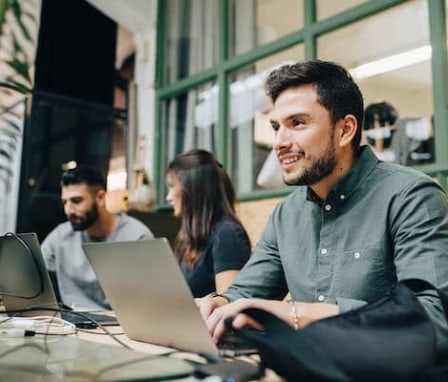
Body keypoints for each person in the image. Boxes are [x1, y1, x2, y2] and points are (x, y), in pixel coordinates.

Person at [197, 60, 448, 353]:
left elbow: (433, 320)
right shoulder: (285, 214)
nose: (278, 141)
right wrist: (219, 303)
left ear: (345, 130)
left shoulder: (410, 195)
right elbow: (246, 291)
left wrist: (295, 314)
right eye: (276, 127)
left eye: (297, 123)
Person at [41, 165, 154, 310]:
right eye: (65, 202)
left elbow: (152, 301)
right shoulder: (60, 236)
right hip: (70, 324)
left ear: (100, 198)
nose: (68, 210)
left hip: (119, 328)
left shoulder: (137, 237)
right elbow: (32, 278)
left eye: (76, 201)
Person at [166, 149, 251, 298]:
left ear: (192, 188)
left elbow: (228, 307)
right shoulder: (188, 238)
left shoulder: (227, 235)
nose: (168, 197)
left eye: (172, 187)